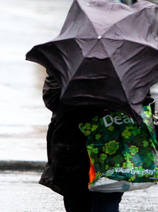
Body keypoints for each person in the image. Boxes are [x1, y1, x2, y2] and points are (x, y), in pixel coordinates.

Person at [40, 74, 124, 212]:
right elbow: (53, 99)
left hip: (111, 146)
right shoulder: (68, 61)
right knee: (77, 200)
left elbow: (142, 102)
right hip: (74, 147)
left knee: (106, 201)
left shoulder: (123, 63)